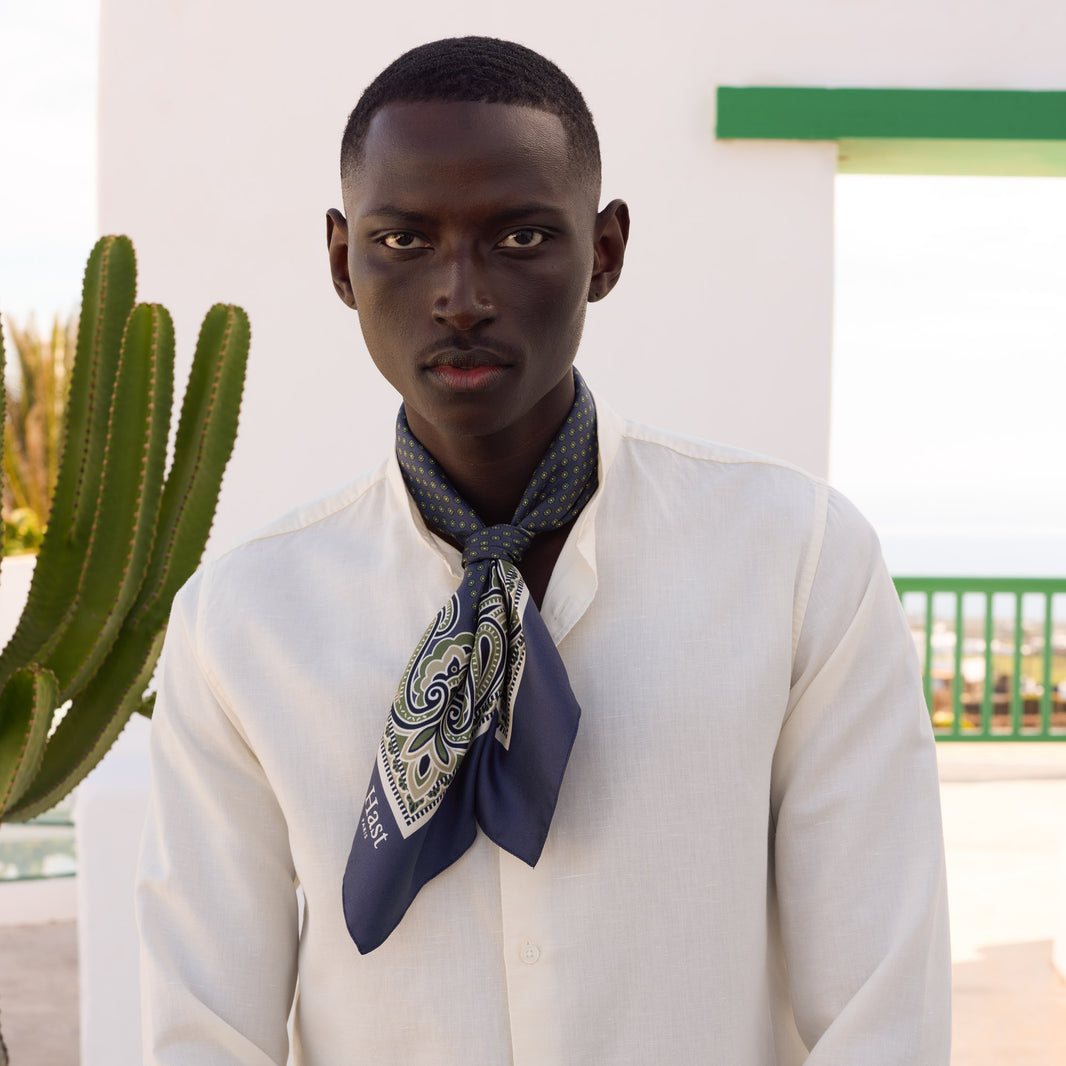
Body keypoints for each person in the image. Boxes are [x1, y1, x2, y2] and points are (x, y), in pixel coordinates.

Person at [137, 36, 951, 1065]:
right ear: (342, 259)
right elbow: (203, 1027)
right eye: (403, 240)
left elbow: (883, 1006)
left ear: (604, 250)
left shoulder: (797, 560)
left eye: (520, 238)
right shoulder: (241, 619)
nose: (460, 294)